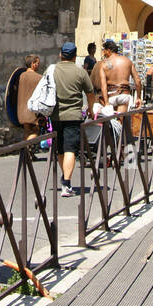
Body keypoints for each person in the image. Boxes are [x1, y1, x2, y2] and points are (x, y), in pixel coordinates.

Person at [52, 42, 97, 197]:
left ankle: (65, 175)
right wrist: (91, 109)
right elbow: (90, 94)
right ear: (75, 56)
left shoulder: (51, 70)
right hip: (73, 115)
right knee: (70, 149)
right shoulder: (80, 72)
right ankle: (66, 183)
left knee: (60, 149)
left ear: (60, 54)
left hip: (56, 115)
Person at [96, 39, 139, 112]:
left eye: (104, 51)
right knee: (121, 121)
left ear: (109, 51)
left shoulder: (103, 64)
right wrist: (138, 97)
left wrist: (106, 103)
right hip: (124, 96)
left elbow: (103, 86)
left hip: (111, 96)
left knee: (111, 122)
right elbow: (138, 80)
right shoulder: (127, 61)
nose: (104, 54)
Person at [17, 54, 43, 143]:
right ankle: (25, 148)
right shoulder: (39, 78)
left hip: (21, 111)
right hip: (33, 113)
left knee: (27, 132)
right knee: (35, 132)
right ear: (33, 64)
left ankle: (27, 156)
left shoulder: (21, 76)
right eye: (38, 63)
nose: (39, 65)